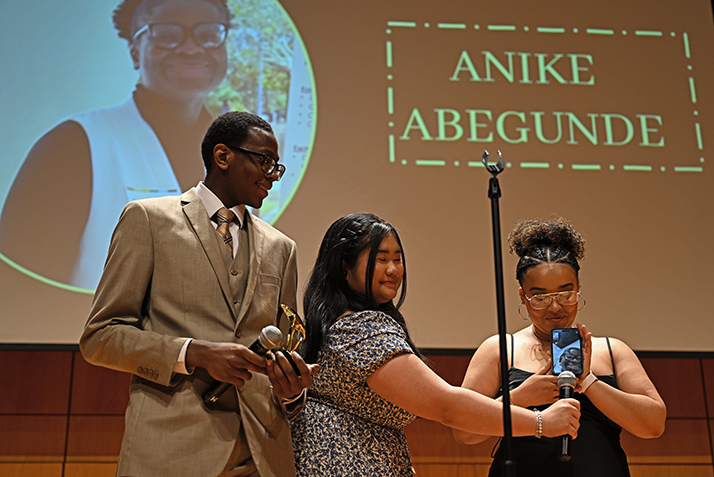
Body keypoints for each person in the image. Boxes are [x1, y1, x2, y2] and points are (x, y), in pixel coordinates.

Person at [79, 111, 318, 477]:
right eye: (264, 161)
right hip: (171, 451)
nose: (272, 174)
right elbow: (101, 337)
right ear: (222, 156)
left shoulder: (281, 247)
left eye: (277, 166)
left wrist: (292, 390)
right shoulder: (148, 219)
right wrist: (193, 353)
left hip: (262, 456)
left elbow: (283, 350)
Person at [290, 213, 582, 477]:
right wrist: (541, 421)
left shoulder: (346, 321)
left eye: (398, 258)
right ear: (345, 266)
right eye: (381, 259)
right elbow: (447, 407)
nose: (393, 269)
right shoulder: (361, 328)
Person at [0, 0, 231, 289]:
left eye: (209, 34)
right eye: (166, 34)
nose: (190, 47)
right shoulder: (73, 145)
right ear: (135, 51)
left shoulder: (237, 154)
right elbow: (23, 291)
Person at [453, 216, 666, 477]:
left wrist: (588, 382)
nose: (555, 307)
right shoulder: (500, 349)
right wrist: (520, 398)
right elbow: (464, 432)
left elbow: (653, 425)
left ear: (578, 288)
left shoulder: (612, 350)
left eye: (565, 294)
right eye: (541, 297)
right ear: (523, 296)